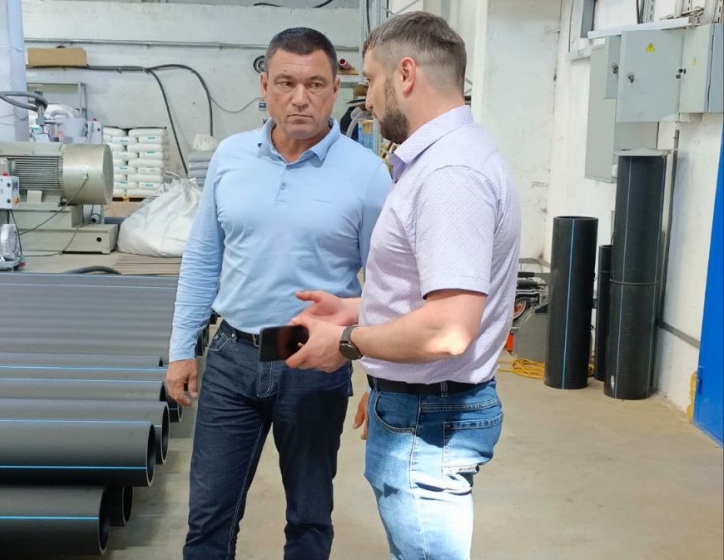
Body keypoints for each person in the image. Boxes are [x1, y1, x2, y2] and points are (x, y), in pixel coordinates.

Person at [285, 12, 521, 560]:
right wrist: (357, 309)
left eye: (371, 80)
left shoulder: (449, 175)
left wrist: (348, 343)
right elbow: (432, 290)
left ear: (406, 74)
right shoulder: (451, 157)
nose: (367, 99)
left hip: (428, 418)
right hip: (422, 405)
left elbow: (448, 330)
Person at [165, 27, 392, 560]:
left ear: (335, 89)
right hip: (232, 354)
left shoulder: (366, 174)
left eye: (315, 84)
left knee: (309, 517)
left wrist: (380, 377)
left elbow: (387, 286)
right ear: (265, 86)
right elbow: (203, 257)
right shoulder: (231, 157)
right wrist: (181, 349)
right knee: (208, 519)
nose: (300, 98)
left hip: (313, 357)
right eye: (286, 83)